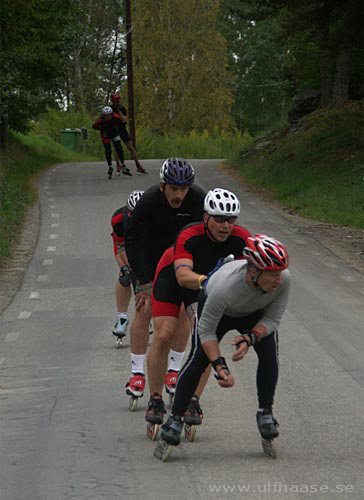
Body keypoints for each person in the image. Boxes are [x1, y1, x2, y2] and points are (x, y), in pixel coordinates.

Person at [160, 234, 291, 449]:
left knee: (269, 353)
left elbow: (273, 319)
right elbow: (207, 332)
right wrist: (219, 365)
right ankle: (174, 419)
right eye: (273, 274)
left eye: (280, 273)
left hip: (254, 313)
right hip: (218, 311)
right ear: (254, 271)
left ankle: (265, 412)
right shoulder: (224, 288)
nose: (279, 279)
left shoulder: (284, 280)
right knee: (198, 359)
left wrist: (251, 338)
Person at [146, 188, 251, 427]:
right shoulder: (188, 235)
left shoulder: (242, 238)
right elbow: (183, 277)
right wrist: (208, 280)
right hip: (173, 279)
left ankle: (193, 400)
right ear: (206, 219)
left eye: (231, 220)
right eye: (220, 219)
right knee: (163, 334)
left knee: (205, 340)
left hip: (207, 286)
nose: (226, 226)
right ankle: (155, 398)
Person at [124, 157, 205, 402]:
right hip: (150, 259)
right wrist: (143, 282)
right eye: (173, 189)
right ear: (163, 186)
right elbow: (132, 240)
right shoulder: (149, 201)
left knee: (180, 311)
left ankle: (174, 368)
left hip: (181, 259)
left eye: (183, 189)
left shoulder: (198, 199)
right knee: (144, 309)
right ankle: (137, 372)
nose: (179, 195)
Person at [111, 190, 144, 342]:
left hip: (147, 245)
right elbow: (119, 247)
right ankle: (122, 318)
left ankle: (146, 316)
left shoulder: (156, 218)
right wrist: (125, 268)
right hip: (126, 244)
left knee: (146, 279)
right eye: (131, 214)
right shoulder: (118, 220)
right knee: (125, 275)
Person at [110, 93, 147, 175]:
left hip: (122, 130)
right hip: (113, 130)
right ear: (112, 100)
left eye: (118, 100)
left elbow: (123, 120)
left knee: (131, 147)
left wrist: (118, 111)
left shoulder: (122, 108)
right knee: (116, 148)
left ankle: (138, 165)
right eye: (115, 100)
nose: (117, 102)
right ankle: (118, 165)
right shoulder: (110, 109)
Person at [92, 106, 132, 179]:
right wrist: (100, 128)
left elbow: (122, 123)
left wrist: (121, 131)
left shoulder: (116, 117)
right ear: (103, 115)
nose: (108, 117)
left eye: (109, 115)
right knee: (108, 150)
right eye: (106, 116)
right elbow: (94, 126)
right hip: (105, 134)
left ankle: (123, 165)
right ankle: (110, 166)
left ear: (112, 114)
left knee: (119, 148)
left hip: (114, 133)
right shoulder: (100, 120)